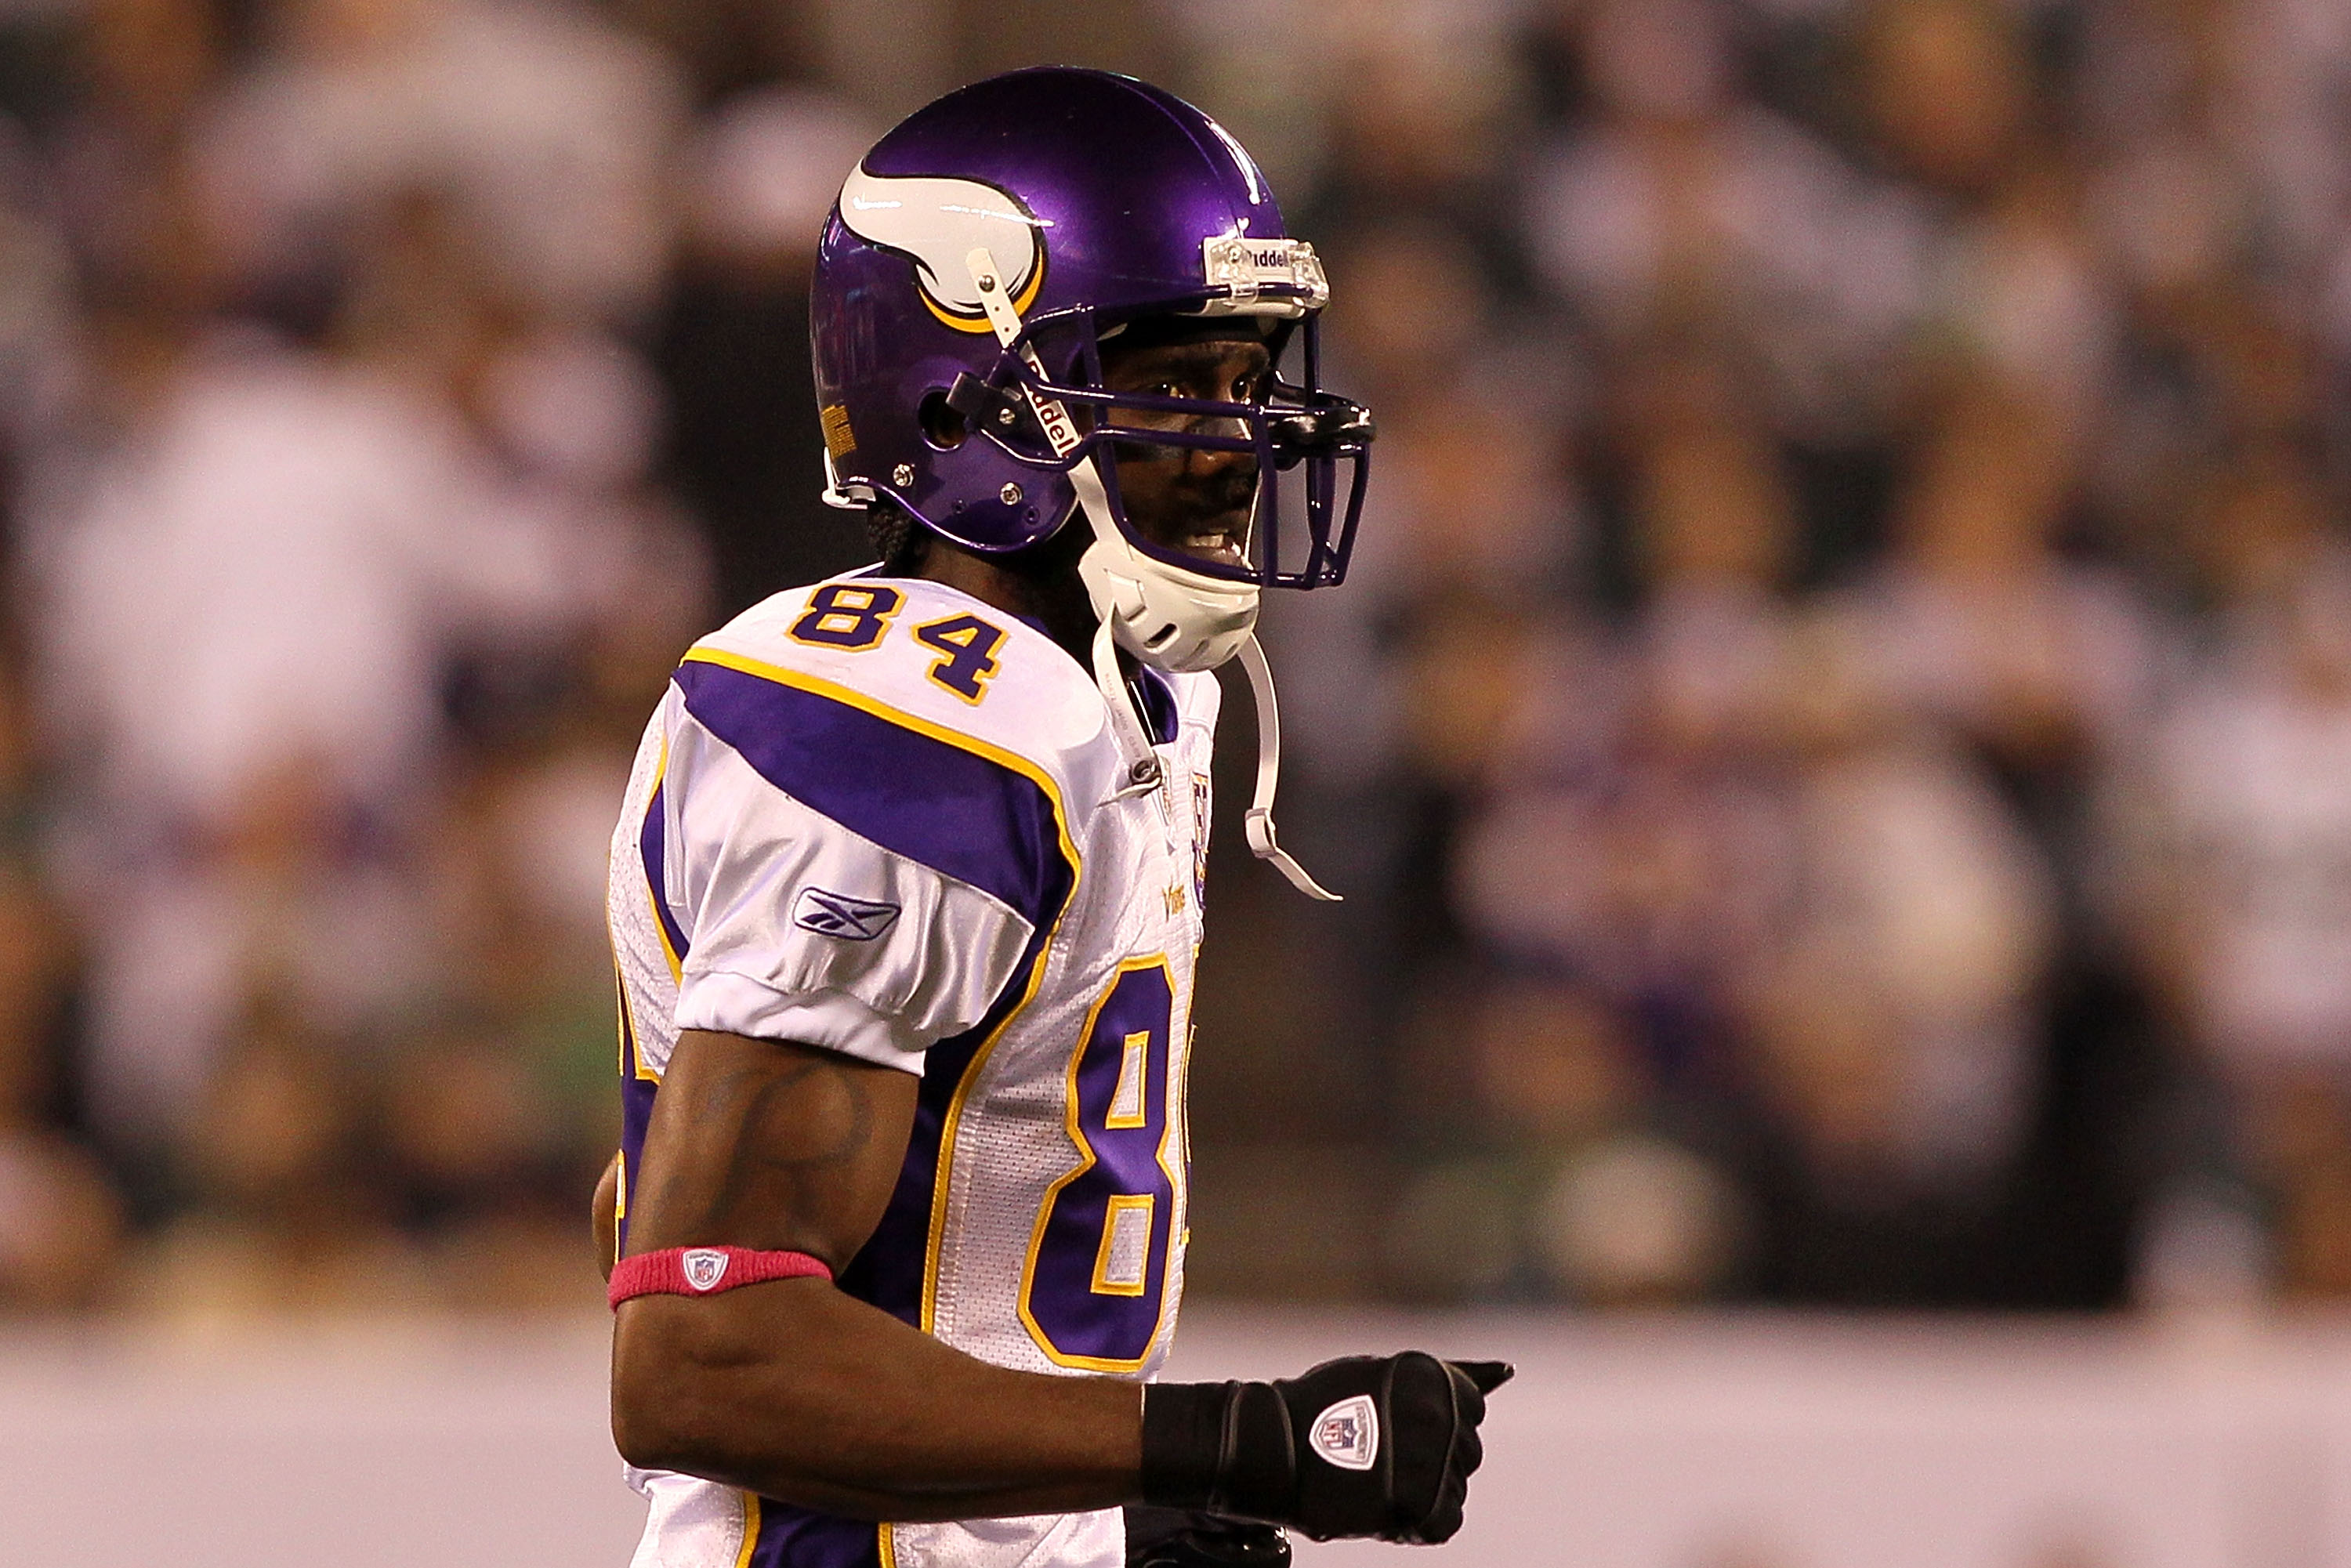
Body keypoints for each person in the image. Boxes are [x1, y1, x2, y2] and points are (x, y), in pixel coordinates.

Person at [593, 68, 1507, 1568]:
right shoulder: (904, 725)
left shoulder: (1114, 689)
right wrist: (1221, 1438)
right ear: (975, 394)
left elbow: (649, 1206)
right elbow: (699, 1349)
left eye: (1245, 381)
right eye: (1174, 382)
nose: (1237, 440)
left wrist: (1078, 1511)